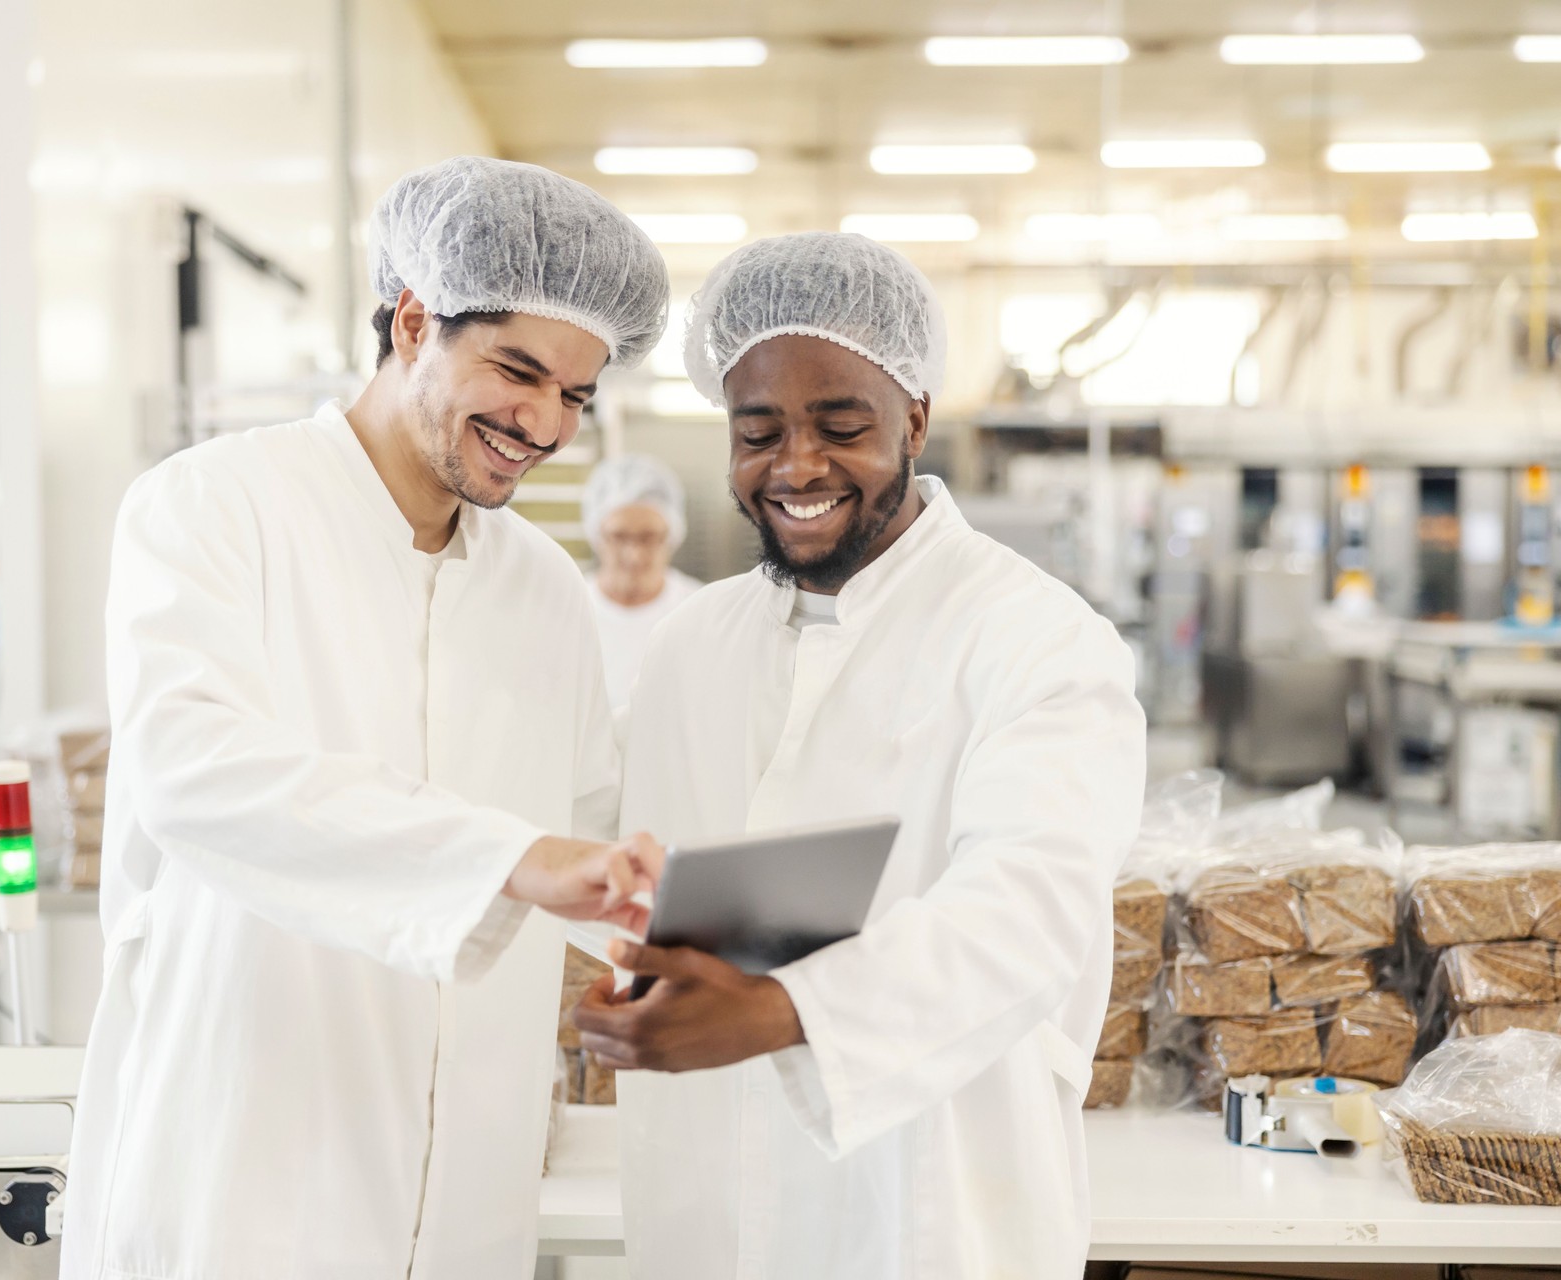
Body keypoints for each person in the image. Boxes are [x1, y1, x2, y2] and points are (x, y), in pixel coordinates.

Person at [61, 156, 670, 1280]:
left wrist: (669, 934)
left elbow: (586, 827)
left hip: (469, 1192)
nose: (544, 422)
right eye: (517, 369)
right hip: (248, 1167)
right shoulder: (213, 507)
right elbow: (196, 771)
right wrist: (516, 859)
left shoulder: (542, 583)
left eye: (577, 395)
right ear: (409, 321)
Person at [573, 232, 1147, 1278]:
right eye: (758, 432)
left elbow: (1031, 905)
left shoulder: (1035, 639)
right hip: (706, 1214)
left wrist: (786, 1011)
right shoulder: (690, 647)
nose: (796, 467)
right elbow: (623, 861)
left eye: (842, 426)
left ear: (916, 417)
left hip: (934, 1216)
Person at [581, 455, 701, 708]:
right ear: (596, 534)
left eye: (648, 537)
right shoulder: (572, 608)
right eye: (619, 536)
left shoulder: (700, 611)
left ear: (672, 534)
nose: (634, 555)